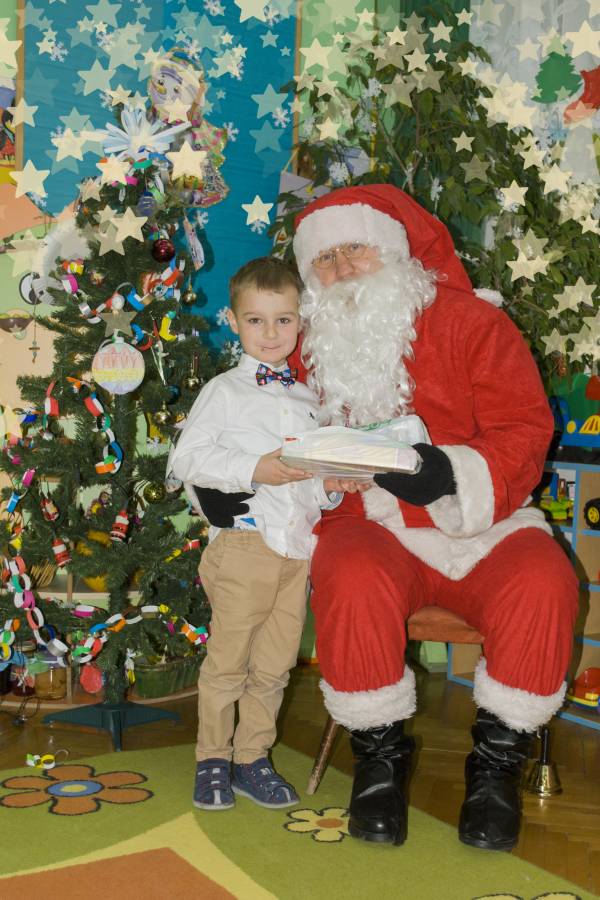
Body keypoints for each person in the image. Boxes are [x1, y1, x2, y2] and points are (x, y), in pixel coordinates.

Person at [195, 186, 579, 851]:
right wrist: (224, 487)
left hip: (483, 522)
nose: (342, 268)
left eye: (356, 249)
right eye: (325, 259)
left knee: (545, 580)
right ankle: (378, 763)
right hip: (366, 521)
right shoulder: (298, 345)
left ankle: (495, 770)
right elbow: (241, 425)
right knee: (350, 574)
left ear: (395, 252)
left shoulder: (473, 323)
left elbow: (524, 427)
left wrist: (448, 471)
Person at [167, 256, 364, 812]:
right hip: (245, 546)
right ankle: (212, 759)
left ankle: (251, 758)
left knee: (275, 666)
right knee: (228, 662)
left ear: (301, 322)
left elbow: (308, 485)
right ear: (233, 321)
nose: (271, 333)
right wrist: (256, 468)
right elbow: (186, 460)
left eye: (283, 320)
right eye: (256, 320)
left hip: (296, 552)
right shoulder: (224, 391)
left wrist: (331, 487)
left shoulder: (309, 401)